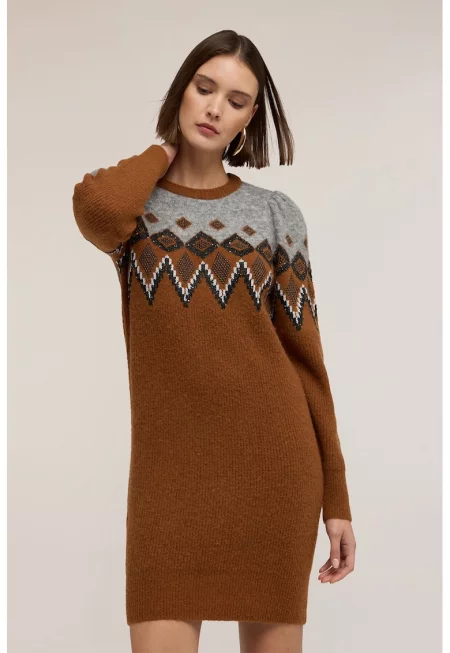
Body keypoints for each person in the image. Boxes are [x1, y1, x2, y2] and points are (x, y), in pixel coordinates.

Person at [72, 28, 356, 653]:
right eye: (203, 88)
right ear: (182, 90)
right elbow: (96, 209)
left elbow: (308, 362)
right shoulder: (134, 213)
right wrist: (165, 151)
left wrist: (336, 497)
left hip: (274, 469)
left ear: (250, 118)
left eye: (235, 100)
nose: (214, 109)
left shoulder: (276, 215)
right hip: (167, 482)